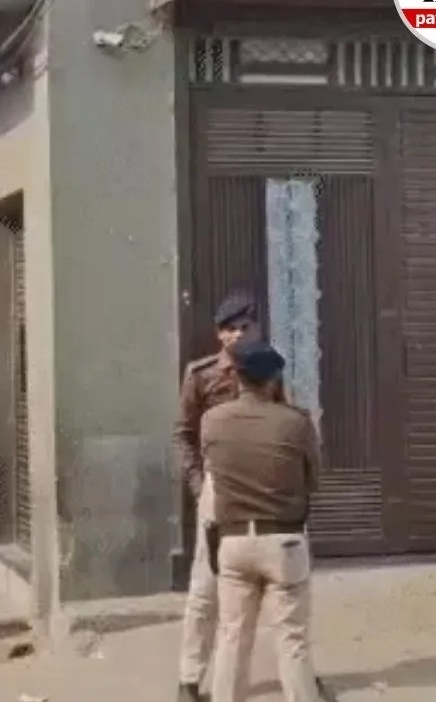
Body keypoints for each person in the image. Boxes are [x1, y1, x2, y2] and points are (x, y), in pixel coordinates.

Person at [202, 340, 322, 702]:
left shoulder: (213, 421)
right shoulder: (296, 422)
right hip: (284, 541)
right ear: (274, 379)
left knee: (232, 638)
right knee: (292, 641)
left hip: (233, 541)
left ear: (237, 378)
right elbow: (313, 482)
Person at [174, 291, 258, 702]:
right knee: (205, 588)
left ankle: (300, 674)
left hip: (263, 490)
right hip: (219, 489)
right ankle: (190, 679)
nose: (238, 335)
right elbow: (183, 436)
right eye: (230, 329)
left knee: (283, 588)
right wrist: (198, 485)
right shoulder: (202, 375)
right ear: (219, 334)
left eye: (245, 327)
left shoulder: (270, 369)